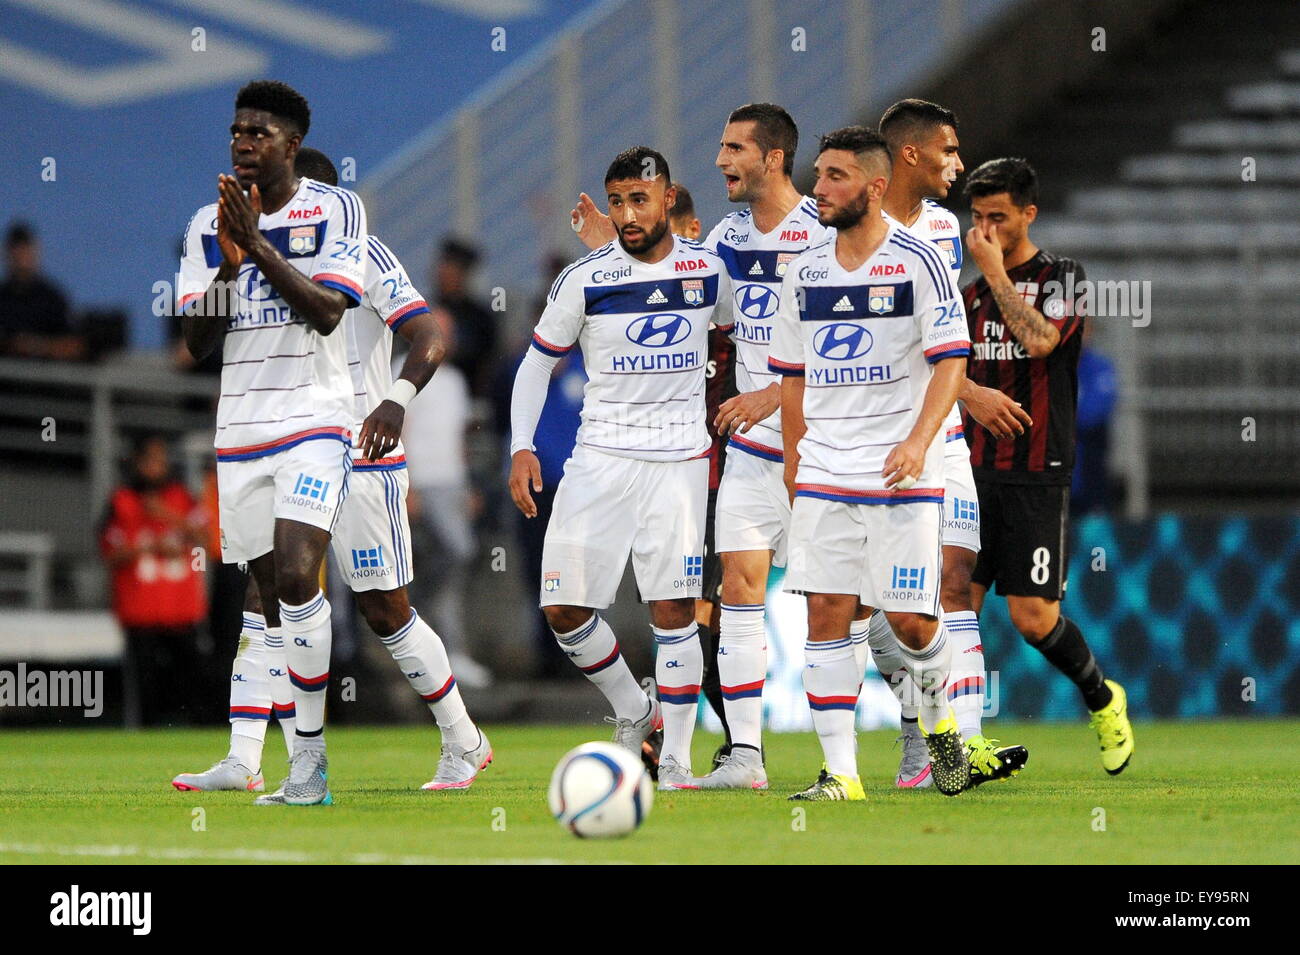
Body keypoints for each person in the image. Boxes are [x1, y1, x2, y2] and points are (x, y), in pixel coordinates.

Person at [173, 147, 489, 797]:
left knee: (385, 609)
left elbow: (430, 335)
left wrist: (395, 400)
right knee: (266, 597)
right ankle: (244, 755)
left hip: (361, 453)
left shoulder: (365, 254)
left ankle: (464, 736)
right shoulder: (254, 265)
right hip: (286, 446)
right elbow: (204, 341)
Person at [570, 104, 829, 790]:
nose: (720, 160)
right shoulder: (727, 235)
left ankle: (925, 734)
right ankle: (744, 755)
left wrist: (773, 395)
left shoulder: (822, 237)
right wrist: (612, 247)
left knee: (854, 608)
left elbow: (839, 349)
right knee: (741, 592)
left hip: (824, 444)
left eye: (734, 147)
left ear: (773, 158)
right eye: (721, 146)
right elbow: (672, 289)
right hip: (749, 451)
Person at [510, 146, 732, 790]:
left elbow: (765, 335)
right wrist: (521, 445)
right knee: (562, 606)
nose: (629, 213)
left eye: (641, 199)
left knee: (675, 611)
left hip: (679, 464)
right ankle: (637, 711)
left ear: (668, 200)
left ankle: (682, 765)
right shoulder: (584, 278)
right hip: (599, 459)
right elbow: (534, 365)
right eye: (618, 201)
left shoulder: (709, 273)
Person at [177, 80, 366, 806]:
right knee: (270, 593)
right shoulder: (205, 224)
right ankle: (269, 757)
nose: (242, 143)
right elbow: (196, 343)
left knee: (295, 575)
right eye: (236, 131)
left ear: (291, 144)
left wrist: (256, 246)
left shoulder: (335, 209)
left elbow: (326, 313)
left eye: (258, 133)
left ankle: (310, 763)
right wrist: (227, 261)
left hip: (315, 419)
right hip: (241, 432)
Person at [770, 126, 973, 800]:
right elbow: (792, 379)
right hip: (826, 465)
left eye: (834, 177)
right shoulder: (803, 269)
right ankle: (841, 773)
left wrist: (919, 440)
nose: (818, 189)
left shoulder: (920, 260)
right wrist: (793, 464)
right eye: (818, 175)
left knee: (913, 622)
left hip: (902, 471)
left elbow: (951, 361)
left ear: (875, 186)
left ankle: (941, 723)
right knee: (827, 611)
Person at [870, 99, 1029, 788]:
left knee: (956, 583)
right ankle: (919, 735)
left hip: (942, 437)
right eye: (949, 150)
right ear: (911, 153)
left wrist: (962, 397)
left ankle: (962, 746)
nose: (959, 165)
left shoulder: (942, 229)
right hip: (869, 438)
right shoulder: (849, 228)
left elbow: (938, 342)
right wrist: (976, 392)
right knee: (881, 611)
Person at [962, 156, 1134, 774]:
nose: (985, 230)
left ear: (1028, 214)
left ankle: (1101, 696)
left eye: (998, 218)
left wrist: (993, 274)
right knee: (953, 606)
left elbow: (1039, 340)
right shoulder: (967, 294)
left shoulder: (1063, 276)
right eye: (977, 217)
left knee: (1033, 619)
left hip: (1038, 472)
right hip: (972, 473)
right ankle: (962, 741)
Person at [99, 435, 209, 726]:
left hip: (182, 609)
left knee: (193, 681)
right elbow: (109, 552)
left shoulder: (182, 498)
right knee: (144, 687)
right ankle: (144, 736)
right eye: (149, 460)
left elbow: (207, 542)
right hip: (140, 610)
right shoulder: (120, 501)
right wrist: (146, 548)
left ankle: (199, 739)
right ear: (136, 463)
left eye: (159, 460)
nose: (155, 468)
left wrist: (169, 516)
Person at [0, 222, 84, 361]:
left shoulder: (51, 298)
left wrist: (37, 347)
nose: (20, 255)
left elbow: (75, 345)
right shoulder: (3, 297)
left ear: (35, 251)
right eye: (16, 249)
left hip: (44, 379)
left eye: (25, 249)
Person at [433, 237, 498, 397]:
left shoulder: (480, 319)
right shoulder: (425, 309)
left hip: (464, 396)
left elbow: (486, 364)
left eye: (451, 270)